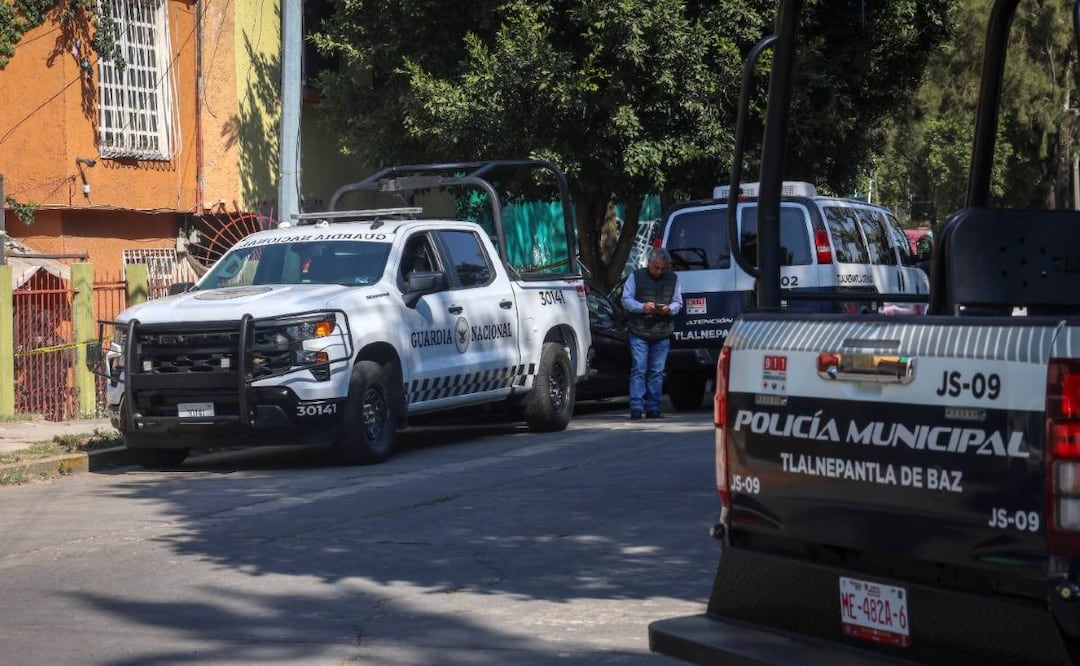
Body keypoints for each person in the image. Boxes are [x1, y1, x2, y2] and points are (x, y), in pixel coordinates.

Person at [621, 247, 683, 420]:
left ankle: (653, 408)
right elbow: (626, 300)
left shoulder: (673, 279)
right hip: (639, 329)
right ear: (649, 263)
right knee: (639, 369)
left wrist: (669, 309)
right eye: (656, 267)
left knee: (656, 371)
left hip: (662, 331)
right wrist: (642, 307)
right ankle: (636, 407)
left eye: (663, 268)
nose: (660, 271)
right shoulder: (636, 276)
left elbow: (678, 302)